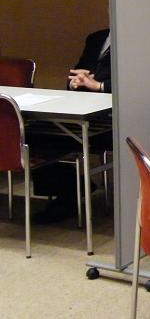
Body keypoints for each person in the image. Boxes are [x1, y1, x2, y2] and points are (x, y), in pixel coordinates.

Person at [31, 28, 112, 224]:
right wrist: (76, 82)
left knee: (50, 136)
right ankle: (70, 191)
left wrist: (100, 86)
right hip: (82, 111)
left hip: (111, 118)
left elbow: (136, 81)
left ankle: (68, 195)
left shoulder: (137, 40)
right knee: (33, 133)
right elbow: (78, 72)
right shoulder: (96, 38)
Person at [66, 28, 111, 93]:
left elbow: (126, 82)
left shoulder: (126, 40)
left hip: (114, 97)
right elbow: (80, 69)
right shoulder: (94, 37)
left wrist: (100, 86)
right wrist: (74, 82)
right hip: (85, 96)